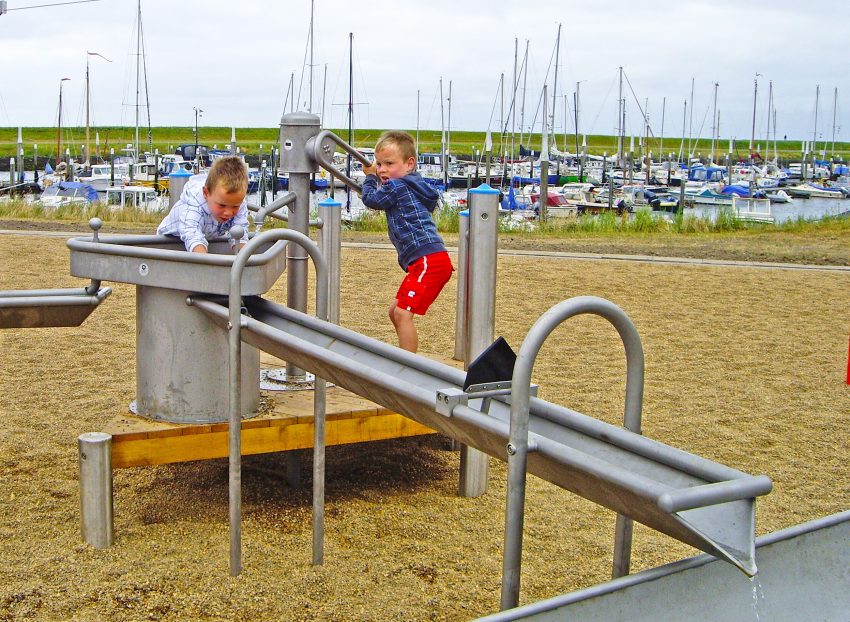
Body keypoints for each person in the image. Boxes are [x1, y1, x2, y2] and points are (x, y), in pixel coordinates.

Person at [360, 130, 453, 353]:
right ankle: (404, 355)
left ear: (409, 164)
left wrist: (370, 177)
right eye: (379, 164)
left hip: (428, 260)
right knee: (395, 311)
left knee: (402, 314)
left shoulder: (397, 186)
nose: (382, 170)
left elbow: (372, 200)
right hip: (428, 259)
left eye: (389, 163)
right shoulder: (413, 185)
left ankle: (408, 366)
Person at [157, 155, 249, 253]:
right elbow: (192, 235)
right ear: (206, 193)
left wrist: (243, 260)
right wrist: (207, 265)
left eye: (235, 206)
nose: (228, 212)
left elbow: (240, 235)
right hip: (168, 243)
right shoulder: (194, 204)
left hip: (205, 237)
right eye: (222, 205)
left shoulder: (238, 202)